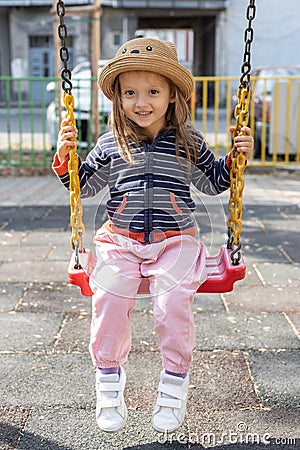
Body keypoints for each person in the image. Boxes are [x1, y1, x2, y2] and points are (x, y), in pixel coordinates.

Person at [53, 37, 253, 434]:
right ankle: (108, 380)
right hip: (119, 242)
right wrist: (65, 158)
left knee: (172, 302)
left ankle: (174, 384)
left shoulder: (188, 142)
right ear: (118, 99)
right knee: (108, 300)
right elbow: (85, 186)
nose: (140, 102)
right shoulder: (110, 143)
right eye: (130, 92)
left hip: (176, 242)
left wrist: (236, 158)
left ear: (172, 96)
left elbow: (214, 183)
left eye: (152, 91)